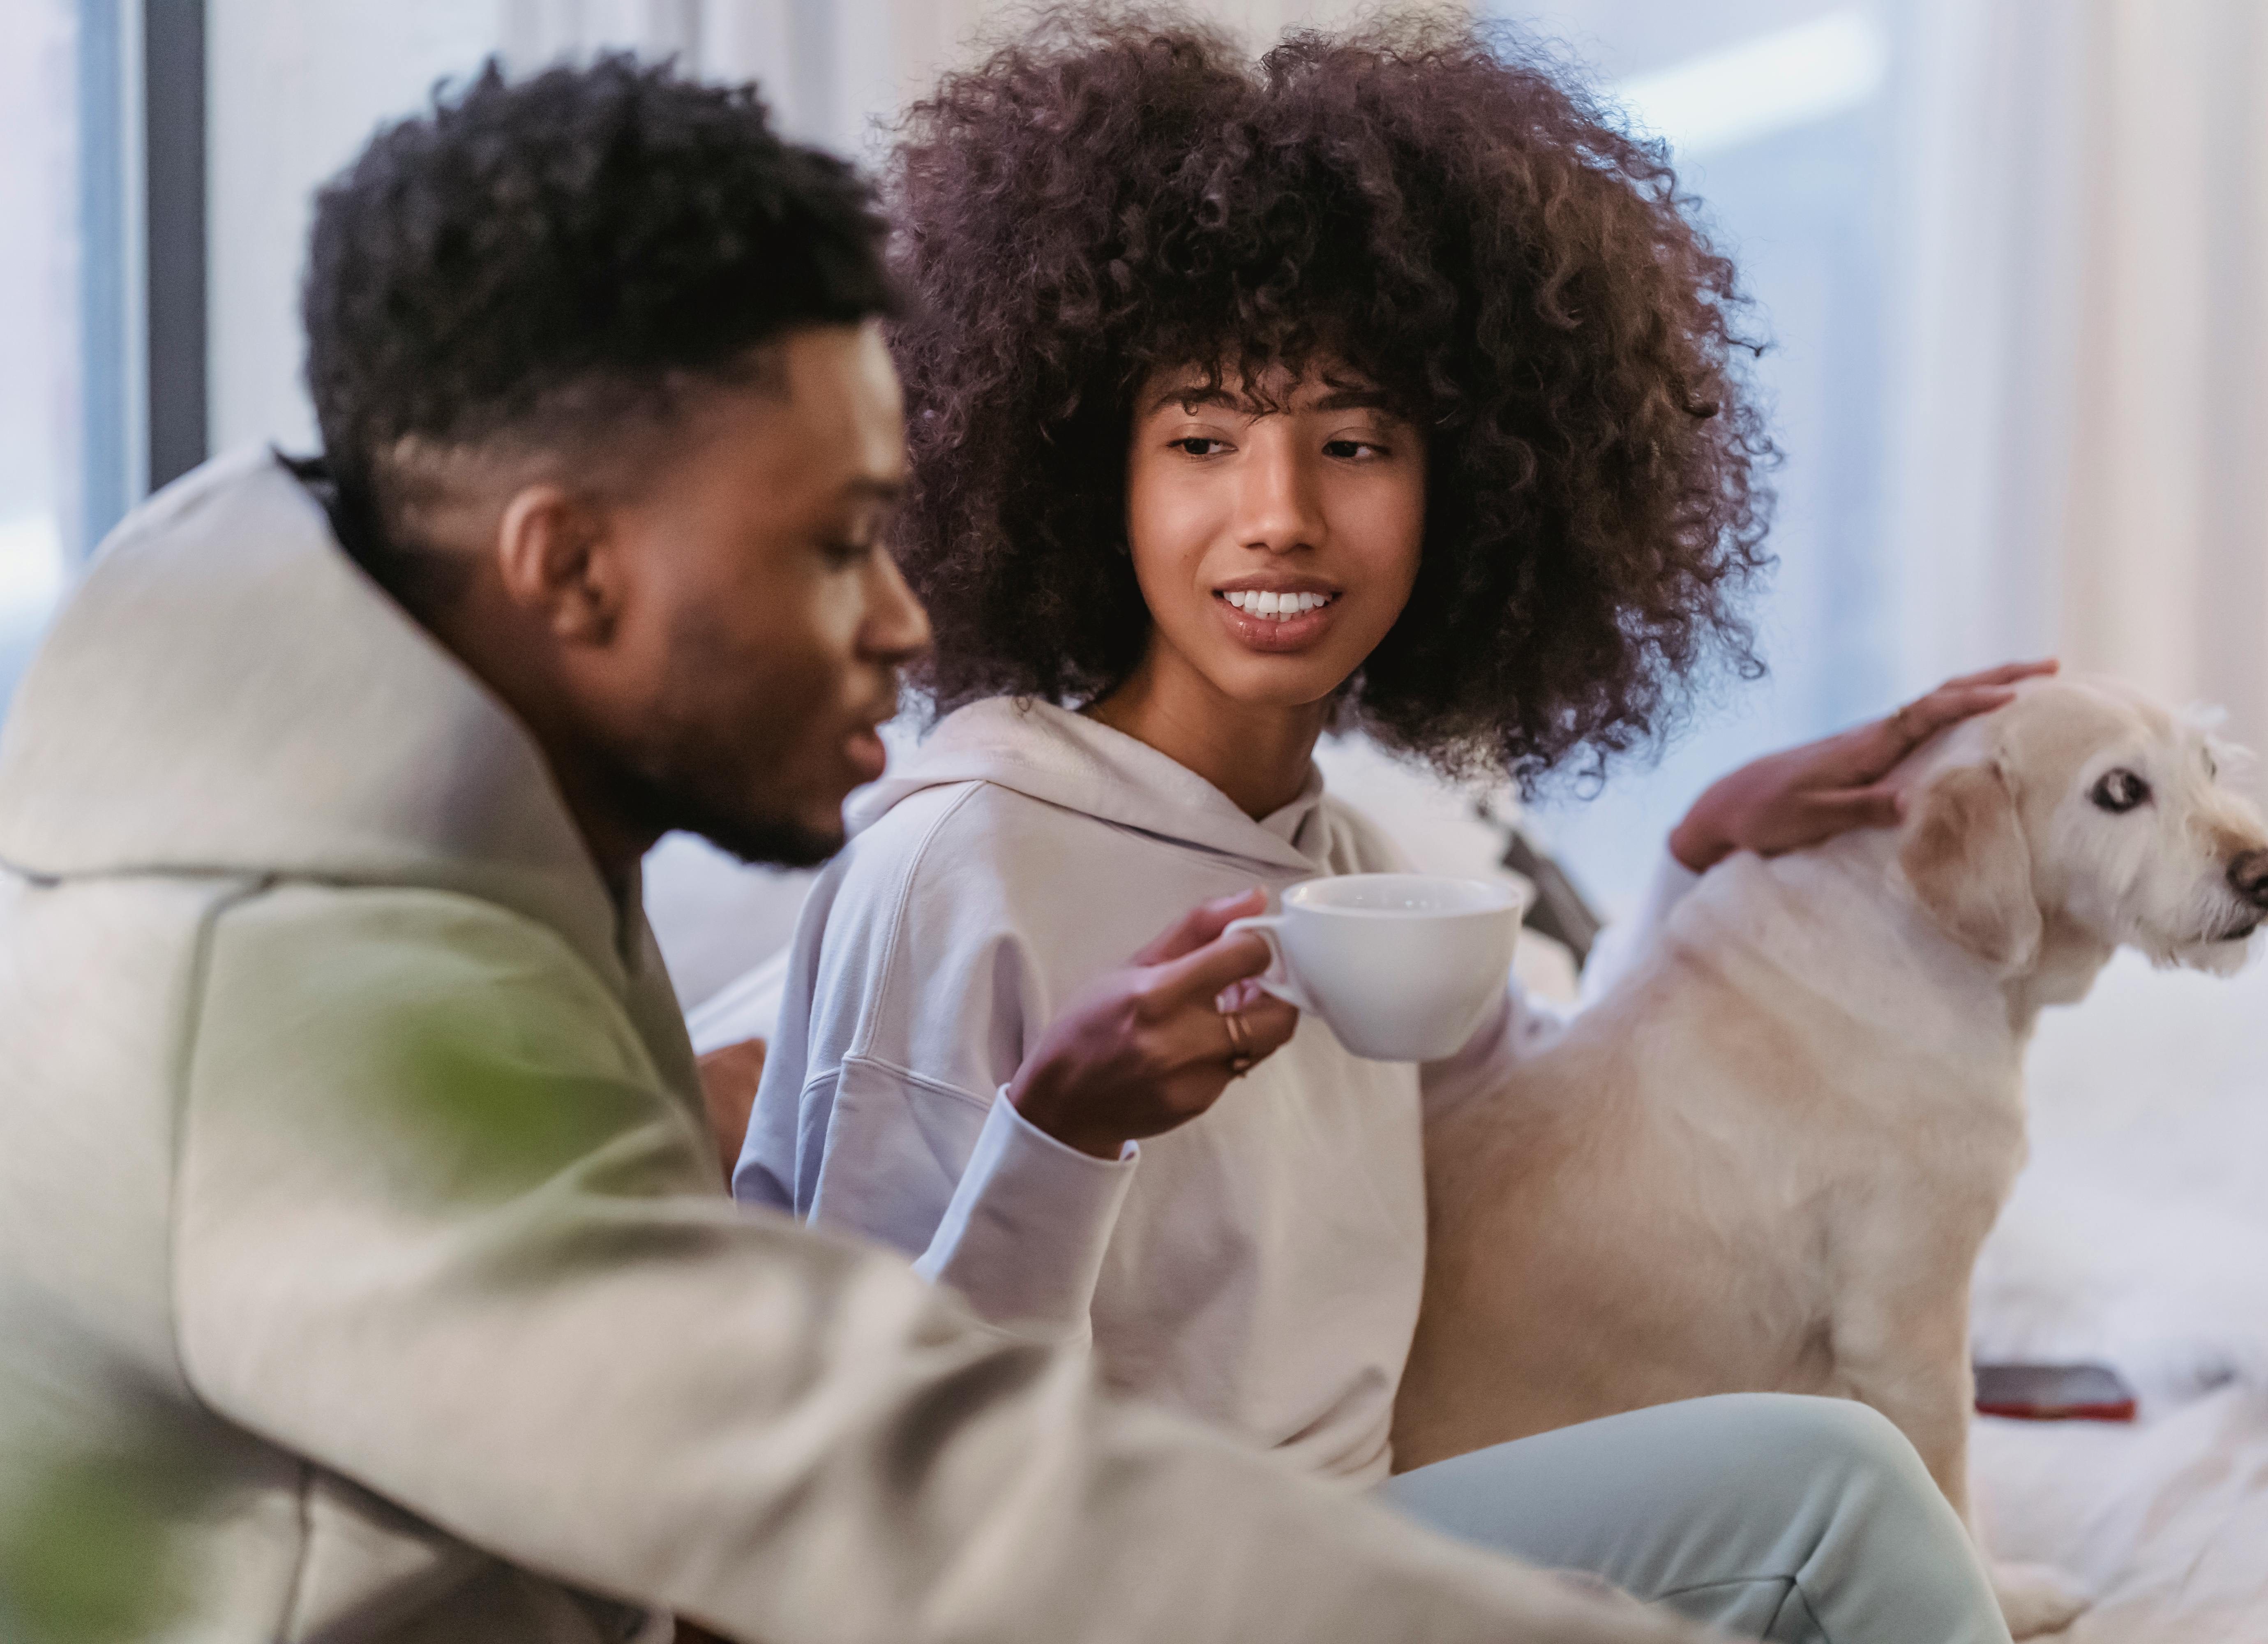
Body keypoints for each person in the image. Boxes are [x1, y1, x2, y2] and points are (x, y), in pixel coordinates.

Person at [0, 57, 1724, 1644]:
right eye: (836, 546)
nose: (906, 619)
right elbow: (890, 1496)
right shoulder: (295, 1019)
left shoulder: (449, 839)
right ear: (572, 569)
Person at [738, 16, 2046, 1642]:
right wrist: (1063, 1133)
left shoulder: (1339, 860)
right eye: (1202, 439)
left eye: (1355, 443)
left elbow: (1545, 1133)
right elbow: (881, 1477)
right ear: (1092, 477)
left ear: (1474, 490)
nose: (1279, 509)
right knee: (1840, 1490)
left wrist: (1709, 856)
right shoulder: (972, 855)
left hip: (1348, 1544)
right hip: (1107, 1584)